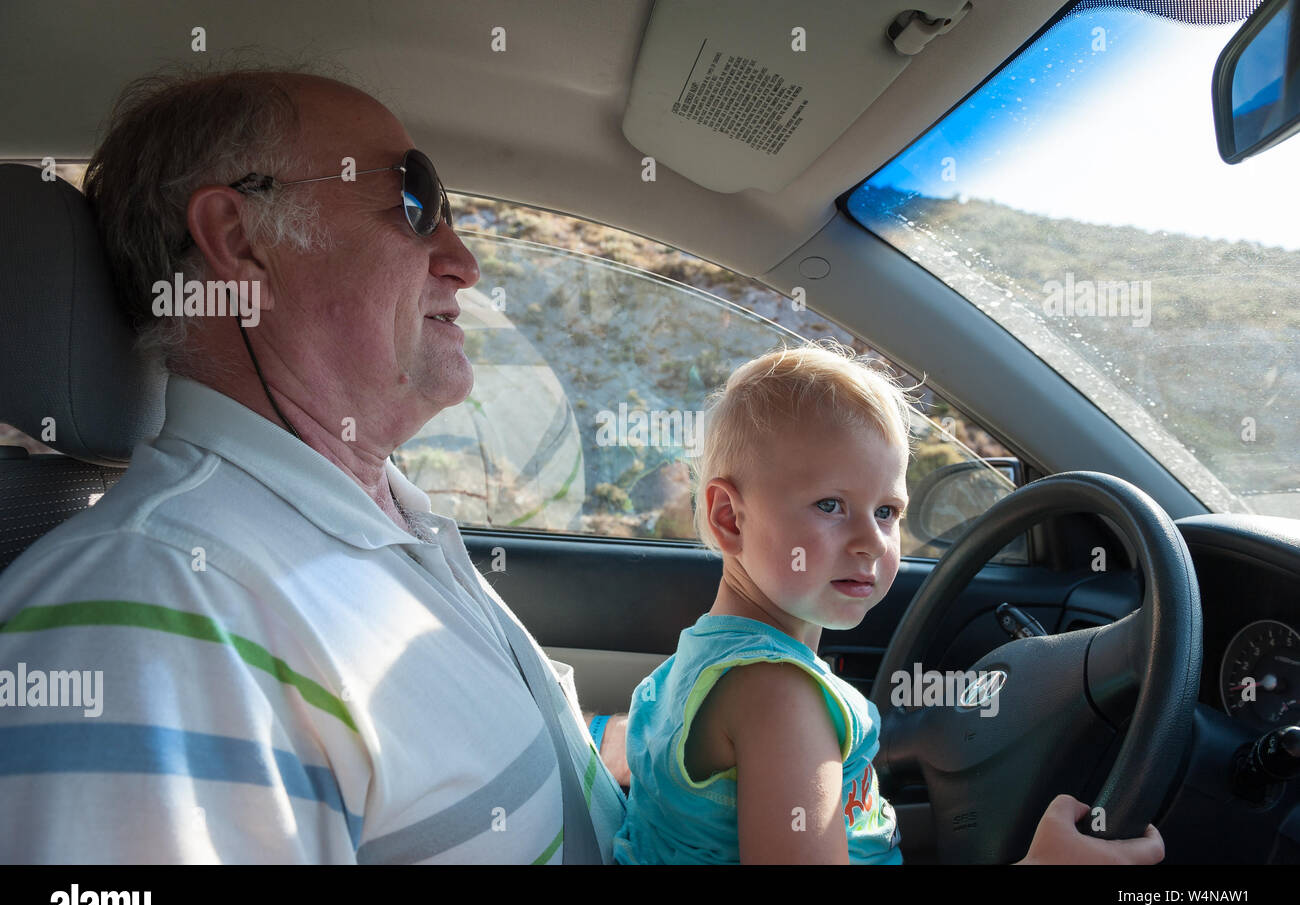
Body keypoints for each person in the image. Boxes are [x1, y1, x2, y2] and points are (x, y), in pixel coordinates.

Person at [0, 67, 627, 863]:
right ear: (239, 239)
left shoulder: (387, 517)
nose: (465, 260)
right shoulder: (154, 623)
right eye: (415, 202)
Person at [613, 344, 1167, 864]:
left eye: (887, 511)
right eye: (831, 504)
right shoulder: (778, 697)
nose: (873, 541)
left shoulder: (698, 661)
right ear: (729, 518)